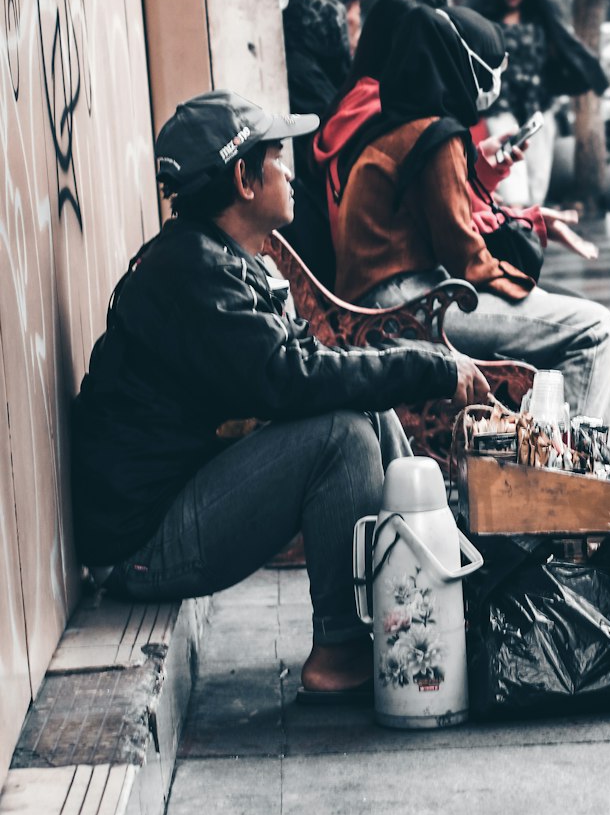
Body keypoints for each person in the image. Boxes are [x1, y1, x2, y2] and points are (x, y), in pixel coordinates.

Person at [71, 90, 488, 702]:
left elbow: (313, 367)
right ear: (243, 177)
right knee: (338, 436)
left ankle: (424, 589)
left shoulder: (217, 258)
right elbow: (294, 381)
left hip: (165, 515)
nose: (291, 172)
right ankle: (340, 648)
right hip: (141, 550)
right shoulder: (195, 276)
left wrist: (419, 368)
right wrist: (429, 367)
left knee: (360, 409)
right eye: (277, 157)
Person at [332, 0, 610, 434]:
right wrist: (519, 280)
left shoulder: (387, 128)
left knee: (566, 315)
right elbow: (464, 253)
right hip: (406, 305)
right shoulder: (435, 134)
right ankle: (577, 484)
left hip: (384, 302)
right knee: (595, 329)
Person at [312, 0, 597, 272]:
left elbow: (434, 204)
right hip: (403, 285)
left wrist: (480, 168)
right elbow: (454, 234)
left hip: (390, 277)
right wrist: (525, 224)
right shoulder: (398, 122)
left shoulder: (361, 106)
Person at [472, 0, 609, 206]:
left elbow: (565, 50)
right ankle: (516, 217)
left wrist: (586, 75)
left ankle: (532, 221)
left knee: (538, 168)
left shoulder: (542, 21)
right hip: (501, 103)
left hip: (538, 102)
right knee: (510, 163)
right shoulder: (488, 24)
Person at [280, 0, 381, 282]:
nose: (358, 18)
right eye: (353, 6)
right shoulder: (301, 75)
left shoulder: (321, 70)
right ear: (329, 12)